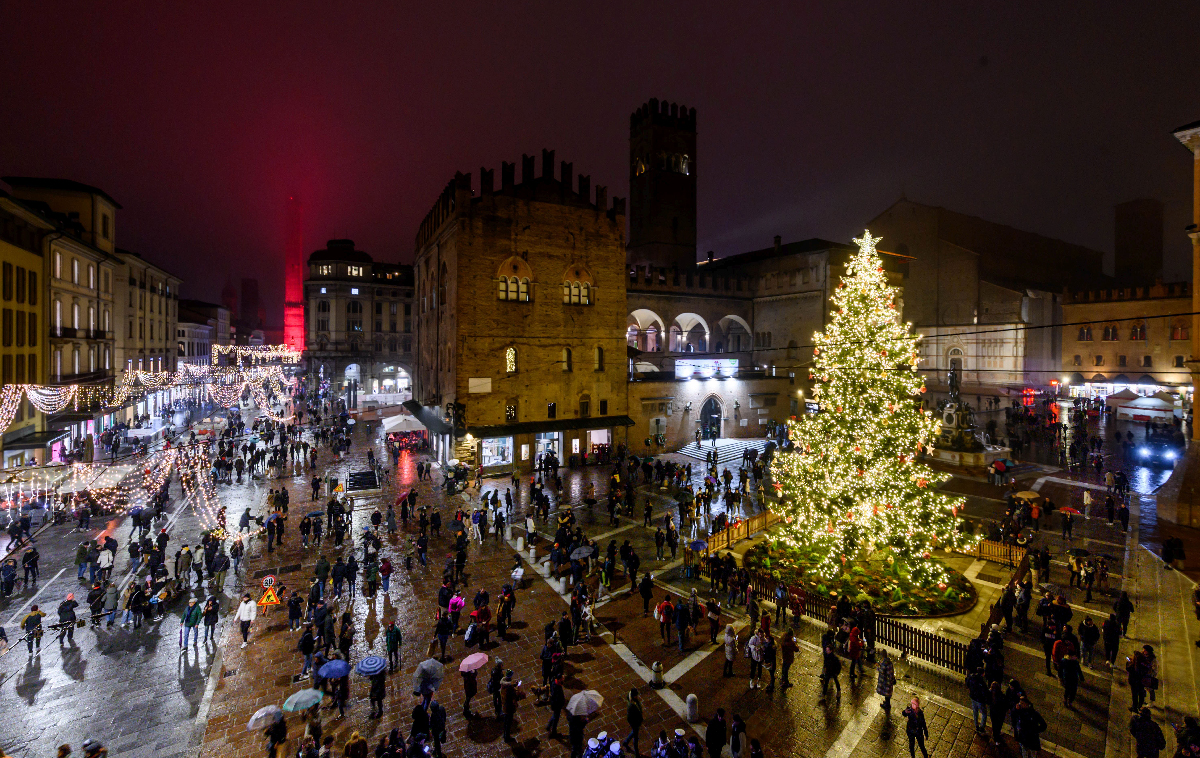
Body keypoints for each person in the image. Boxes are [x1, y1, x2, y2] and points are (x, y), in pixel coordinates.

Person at [623, 688, 643, 756]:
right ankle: (636, 753)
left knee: (634, 733)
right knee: (635, 738)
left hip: (637, 722)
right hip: (635, 723)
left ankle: (626, 742)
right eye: (636, 695)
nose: (637, 696)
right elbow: (629, 718)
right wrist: (635, 723)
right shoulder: (631, 705)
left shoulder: (634, 701)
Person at [876, 648, 896, 714]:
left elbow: (882, 671)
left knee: (886, 694)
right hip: (889, 681)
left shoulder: (884, 663)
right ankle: (887, 703)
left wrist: (878, 667)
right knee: (888, 693)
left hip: (886, 682)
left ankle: (887, 705)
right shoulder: (889, 662)